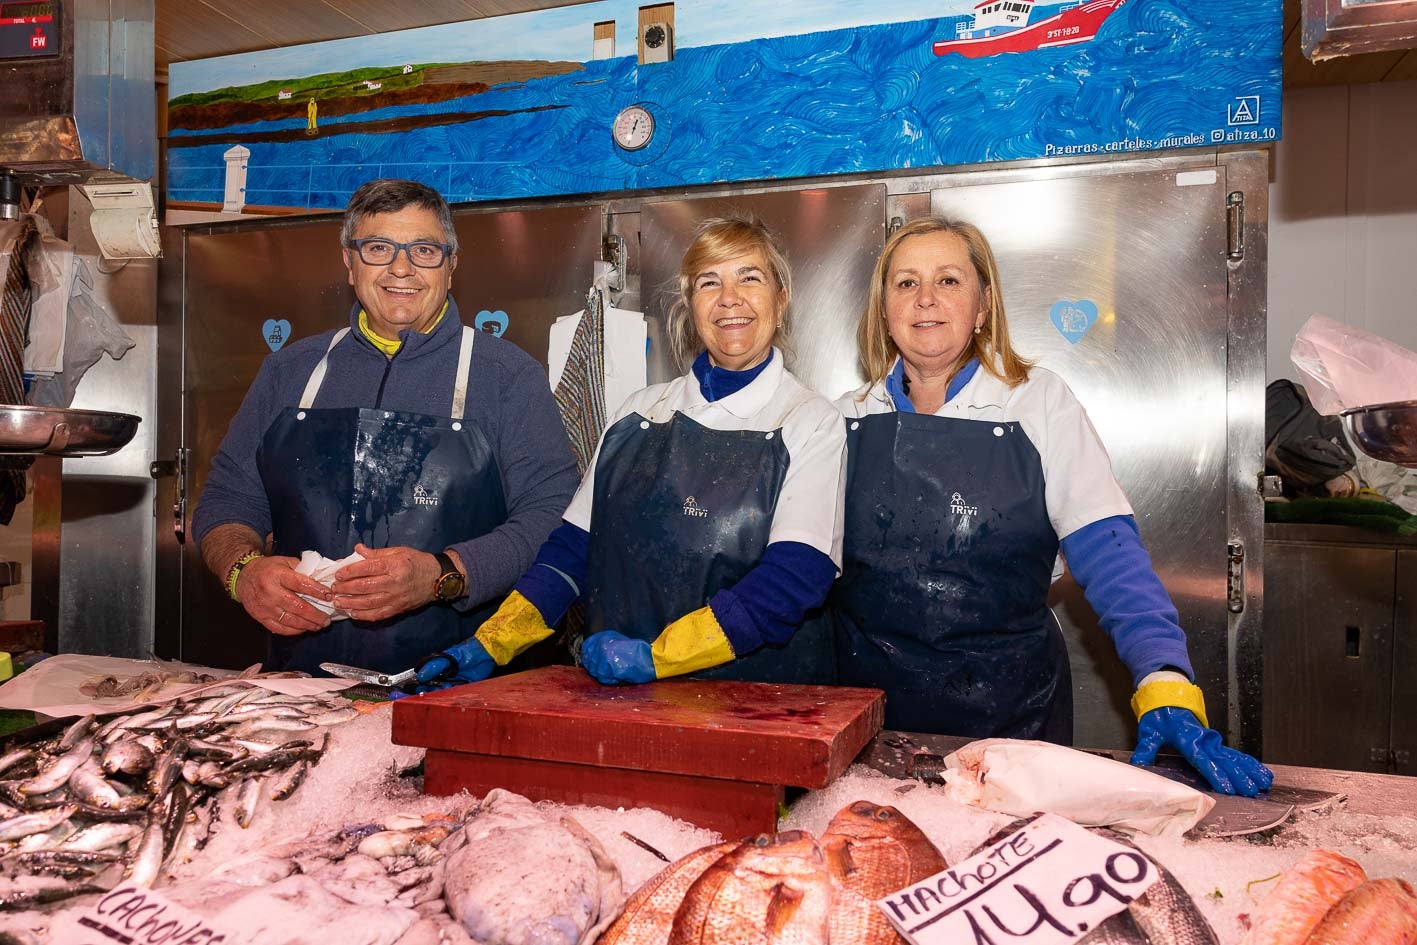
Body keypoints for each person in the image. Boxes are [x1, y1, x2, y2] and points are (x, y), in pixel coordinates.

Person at [831, 217, 1272, 797]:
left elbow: (1108, 552)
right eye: (906, 283)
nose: (927, 300)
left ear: (983, 305)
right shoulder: (841, 419)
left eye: (949, 281)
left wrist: (1163, 676)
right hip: (867, 719)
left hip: (1009, 722)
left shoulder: (1038, 402)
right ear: (883, 306)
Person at [413, 216, 847, 689]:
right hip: (624, 702)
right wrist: (492, 643)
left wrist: (659, 656)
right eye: (709, 282)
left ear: (781, 300)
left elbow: (795, 578)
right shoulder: (638, 414)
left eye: (750, 277)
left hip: (757, 704)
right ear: (691, 304)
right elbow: (571, 551)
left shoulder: (810, 421)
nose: (729, 299)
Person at [193, 178, 578, 674]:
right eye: (379, 248)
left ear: (451, 265)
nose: (402, 268)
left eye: (423, 250)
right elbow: (227, 500)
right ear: (349, 262)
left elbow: (552, 518)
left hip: (462, 680)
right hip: (304, 685)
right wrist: (242, 573)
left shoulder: (507, 376)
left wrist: (445, 574)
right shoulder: (291, 371)